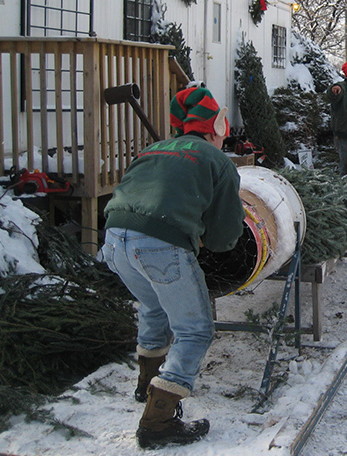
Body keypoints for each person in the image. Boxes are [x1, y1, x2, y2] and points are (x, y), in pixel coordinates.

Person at [100, 86, 244, 450]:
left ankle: (146, 383)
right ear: (216, 129)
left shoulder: (152, 149)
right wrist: (212, 244)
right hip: (160, 246)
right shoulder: (217, 161)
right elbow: (226, 235)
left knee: (153, 306)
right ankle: (159, 421)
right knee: (195, 332)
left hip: (115, 240)